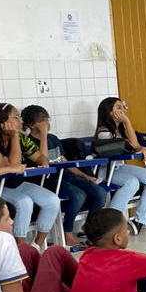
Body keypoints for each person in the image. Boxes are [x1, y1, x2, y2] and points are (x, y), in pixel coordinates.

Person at [21, 104, 105, 248]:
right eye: (43, 121)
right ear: (32, 124)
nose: (47, 123)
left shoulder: (53, 138)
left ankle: (90, 230)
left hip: (65, 176)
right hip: (47, 180)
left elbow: (64, 161)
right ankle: (67, 232)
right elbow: (44, 162)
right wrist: (42, 136)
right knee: (78, 195)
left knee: (100, 192)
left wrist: (85, 176)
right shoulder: (29, 142)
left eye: (47, 119)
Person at [0, 102, 62, 248]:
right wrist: (14, 135)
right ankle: (21, 248)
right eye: (15, 117)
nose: (20, 121)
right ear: (3, 122)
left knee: (52, 200)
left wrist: (43, 136)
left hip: (15, 184)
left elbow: (42, 159)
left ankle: (36, 246)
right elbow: (14, 167)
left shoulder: (22, 139)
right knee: (24, 202)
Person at [95, 97, 146, 235]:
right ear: (109, 112)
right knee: (132, 183)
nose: (123, 110)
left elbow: (134, 146)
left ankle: (140, 221)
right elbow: (133, 146)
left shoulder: (118, 129)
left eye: (123, 107)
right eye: (118, 108)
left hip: (119, 167)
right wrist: (127, 122)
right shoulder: (104, 133)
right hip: (107, 170)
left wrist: (143, 148)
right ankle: (111, 223)